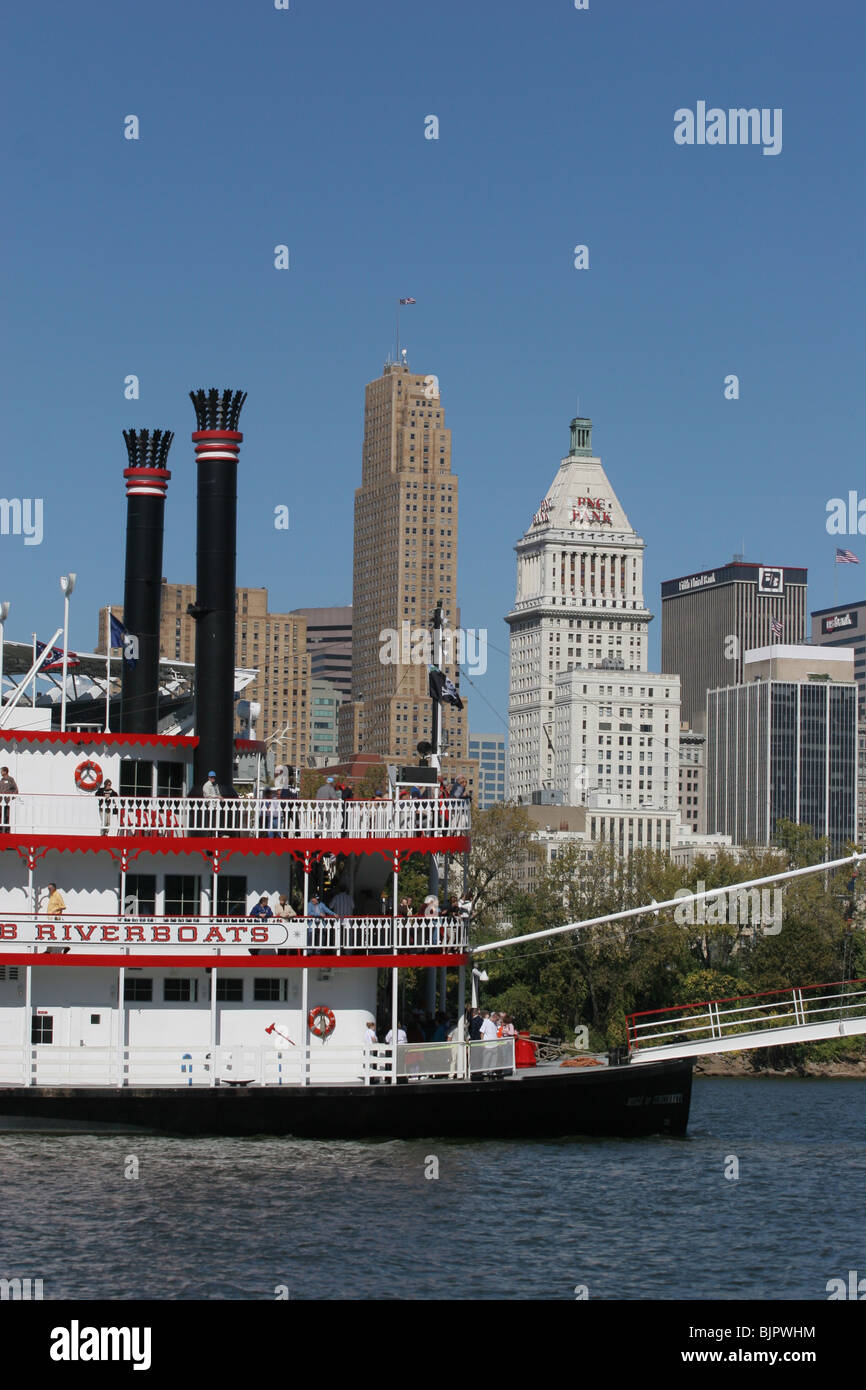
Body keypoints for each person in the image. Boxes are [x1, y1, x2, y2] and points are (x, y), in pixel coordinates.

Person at [0, 765, 18, 832]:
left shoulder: (10, 779)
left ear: (5, 771)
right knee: (0, 817)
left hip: (6, 802)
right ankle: (1, 831)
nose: (0, 772)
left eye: (1, 771)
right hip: (0, 802)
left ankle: (7, 832)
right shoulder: (1, 780)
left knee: (6, 816)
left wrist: (10, 798)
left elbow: (16, 790)